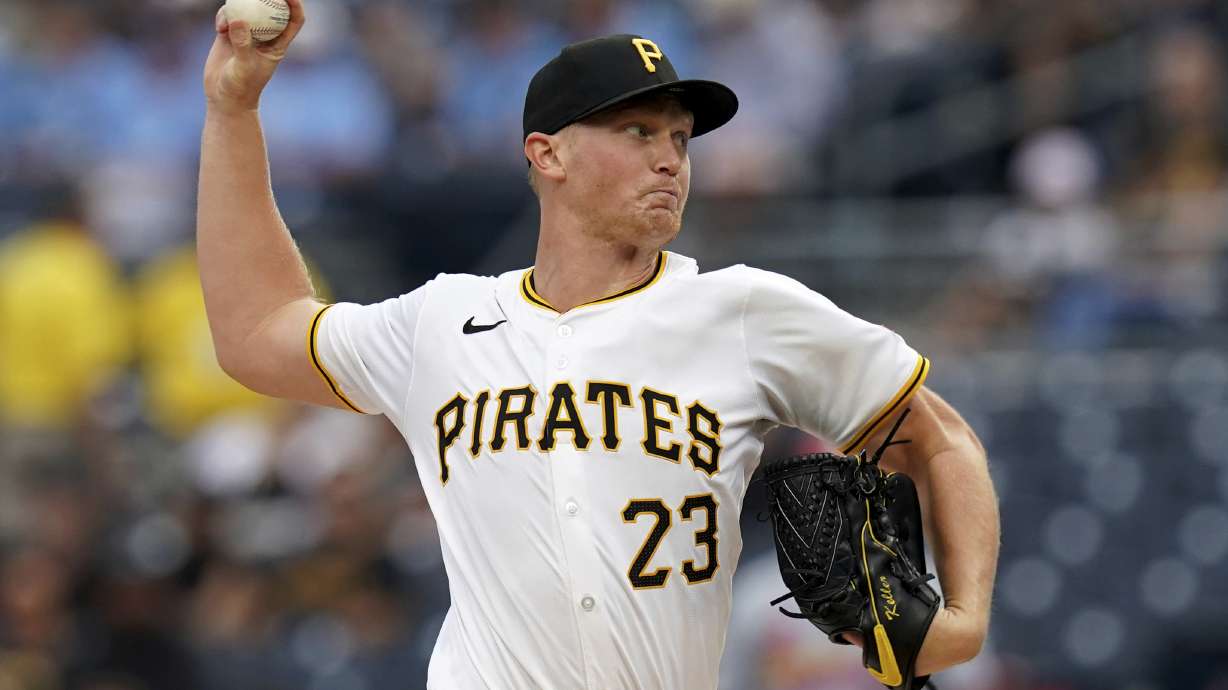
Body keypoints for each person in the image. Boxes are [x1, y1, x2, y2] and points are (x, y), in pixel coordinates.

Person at [197, 2, 999, 688]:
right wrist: (233, 112)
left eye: (682, 139)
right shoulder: (442, 322)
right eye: (638, 129)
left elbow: (940, 438)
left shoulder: (746, 311)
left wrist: (960, 621)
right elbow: (257, 333)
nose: (669, 159)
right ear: (548, 154)